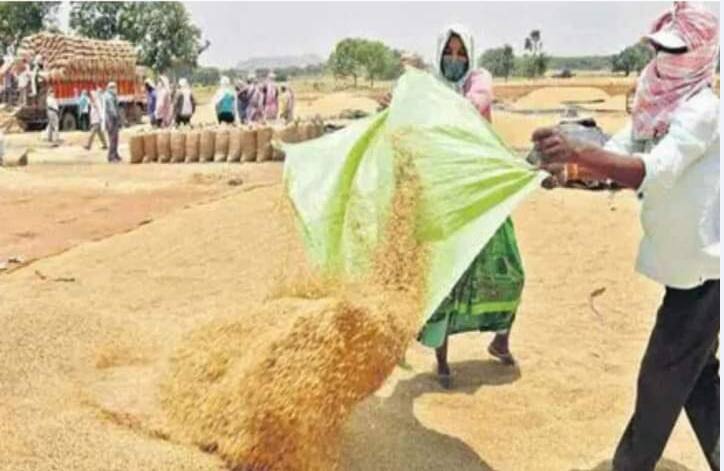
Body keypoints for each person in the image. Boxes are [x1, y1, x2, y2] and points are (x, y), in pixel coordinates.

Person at [531, 4, 719, 470]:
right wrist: (570, 168)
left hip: (706, 272)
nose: (663, 59)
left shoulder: (702, 111)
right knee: (696, 377)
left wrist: (582, 154)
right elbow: (621, 149)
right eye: (659, 48)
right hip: (684, 269)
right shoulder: (656, 101)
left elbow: (652, 170)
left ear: (701, 54)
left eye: (676, 51)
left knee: (660, 381)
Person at [391, 25, 520, 389]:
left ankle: (500, 340)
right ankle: (442, 362)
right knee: (445, 279)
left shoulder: (478, 81)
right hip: (444, 199)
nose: (455, 59)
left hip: (481, 195)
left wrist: (424, 99)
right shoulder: (429, 91)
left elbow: (476, 104)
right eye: (449, 51)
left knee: (510, 271)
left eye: (461, 52)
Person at [103, 82, 122, 163]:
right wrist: (117, 117)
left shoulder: (111, 96)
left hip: (112, 120)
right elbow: (112, 109)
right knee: (112, 138)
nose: (116, 89)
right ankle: (111, 156)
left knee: (115, 138)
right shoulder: (109, 97)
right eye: (114, 88)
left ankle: (115, 154)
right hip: (111, 120)